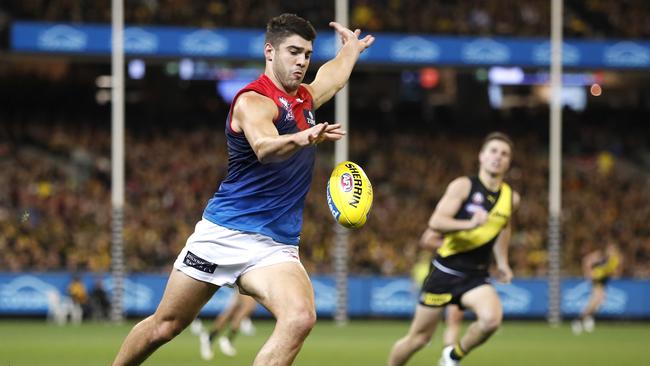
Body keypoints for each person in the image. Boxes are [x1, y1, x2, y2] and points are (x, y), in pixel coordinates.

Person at [112, 13, 374, 366]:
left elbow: (333, 77)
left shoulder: (305, 101)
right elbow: (264, 146)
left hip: (274, 246)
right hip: (224, 233)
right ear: (270, 51)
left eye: (307, 55)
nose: (302, 61)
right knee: (165, 326)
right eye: (293, 52)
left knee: (299, 317)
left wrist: (351, 50)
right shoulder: (252, 100)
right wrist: (302, 137)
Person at [388, 132, 520, 366]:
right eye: (493, 151)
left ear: (509, 161)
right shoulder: (463, 186)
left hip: (475, 276)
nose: (498, 157)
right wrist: (469, 224)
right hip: (446, 272)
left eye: (504, 153)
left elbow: (503, 228)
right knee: (418, 339)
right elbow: (436, 222)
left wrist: (502, 263)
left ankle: (452, 356)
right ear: (481, 156)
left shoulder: (511, 198)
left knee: (491, 320)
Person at [571, 243, 622, 334]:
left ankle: (586, 319)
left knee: (599, 302)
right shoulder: (600, 255)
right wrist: (588, 273)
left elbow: (615, 273)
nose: (611, 251)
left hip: (604, 280)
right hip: (597, 278)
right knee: (595, 300)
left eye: (613, 250)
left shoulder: (615, 259)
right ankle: (579, 320)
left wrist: (613, 272)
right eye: (610, 249)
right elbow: (586, 260)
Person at [198, 291, 258, 360]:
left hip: (244, 282)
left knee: (232, 311)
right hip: (248, 281)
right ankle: (228, 339)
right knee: (248, 307)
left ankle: (210, 337)